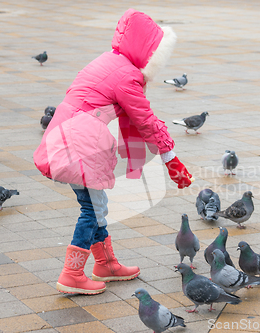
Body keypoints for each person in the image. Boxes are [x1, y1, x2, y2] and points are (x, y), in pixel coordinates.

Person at [33, 8, 192, 295]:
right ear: (148, 52)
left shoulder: (109, 61)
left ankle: (106, 264)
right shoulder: (127, 76)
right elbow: (146, 120)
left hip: (64, 135)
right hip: (79, 143)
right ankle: (72, 273)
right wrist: (172, 159)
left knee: (96, 205)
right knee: (92, 210)